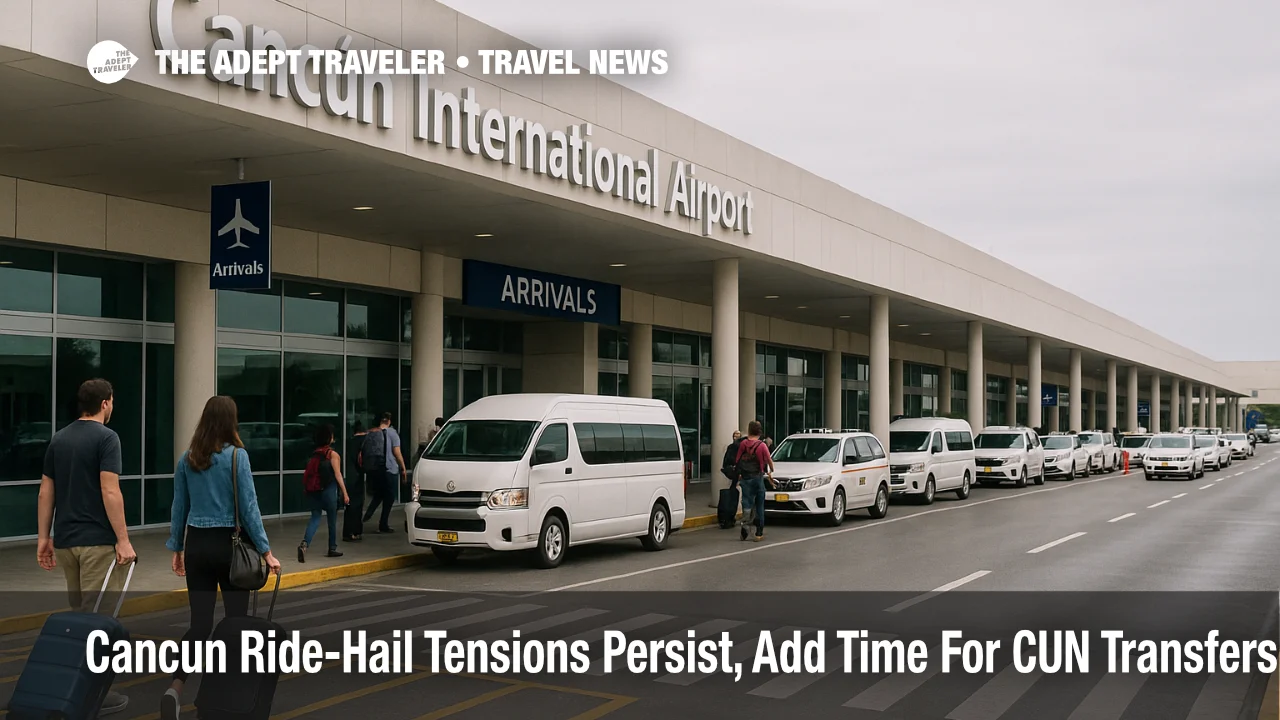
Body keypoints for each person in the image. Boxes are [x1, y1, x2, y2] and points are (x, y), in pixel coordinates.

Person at [162, 396, 280, 720]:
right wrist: (266, 551)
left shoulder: (188, 459)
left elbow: (178, 507)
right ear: (231, 421)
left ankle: (176, 687)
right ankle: (222, 695)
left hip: (197, 545)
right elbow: (250, 508)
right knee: (234, 624)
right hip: (231, 546)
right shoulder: (237, 457)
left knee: (199, 625)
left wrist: (177, 547)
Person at [36, 379, 135, 716]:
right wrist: (122, 539)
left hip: (66, 543)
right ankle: (92, 694)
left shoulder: (59, 439)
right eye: (112, 401)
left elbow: (45, 492)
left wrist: (43, 538)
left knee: (79, 619)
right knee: (99, 624)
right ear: (105, 403)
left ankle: (70, 689)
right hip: (97, 544)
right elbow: (110, 491)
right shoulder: (107, 438)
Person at [299, 424, 350, 562]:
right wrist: (345, 493)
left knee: (315, 517)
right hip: (328, 491)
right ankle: (332, 548)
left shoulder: (315, 454)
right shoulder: (332, 454)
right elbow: (338, 474)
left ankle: (305, 544)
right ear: (329, 438)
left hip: (314, 491)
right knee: (332, 520)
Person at [361, 412, 407, 533]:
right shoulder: (392, 433)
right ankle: (383, 523)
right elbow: (396, 452)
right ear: (389, 421)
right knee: (390, 496)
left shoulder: (372, 432)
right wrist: (403, 468)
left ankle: (367, 515)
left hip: (376, 468)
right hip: (389, 468)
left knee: (379, 493)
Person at [734, 420, 774, 542]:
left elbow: (737, 460)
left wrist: (740, 473)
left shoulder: (743, 444)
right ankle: (758, 532)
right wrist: (771, 469)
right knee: (759, 504)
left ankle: (745, 528)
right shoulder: (762, 446)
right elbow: (768, 459)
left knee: (746, 502)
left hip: (745, 478)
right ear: (759, 431)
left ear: (749, 430)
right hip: (758, 477)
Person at [343, 422, 367, 542]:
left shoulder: (348, 441)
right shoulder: (364, 441)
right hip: (358, 475)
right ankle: (356, 531)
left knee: (350, 506)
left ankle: (348, 532)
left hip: (349, 475)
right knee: (357, 505)